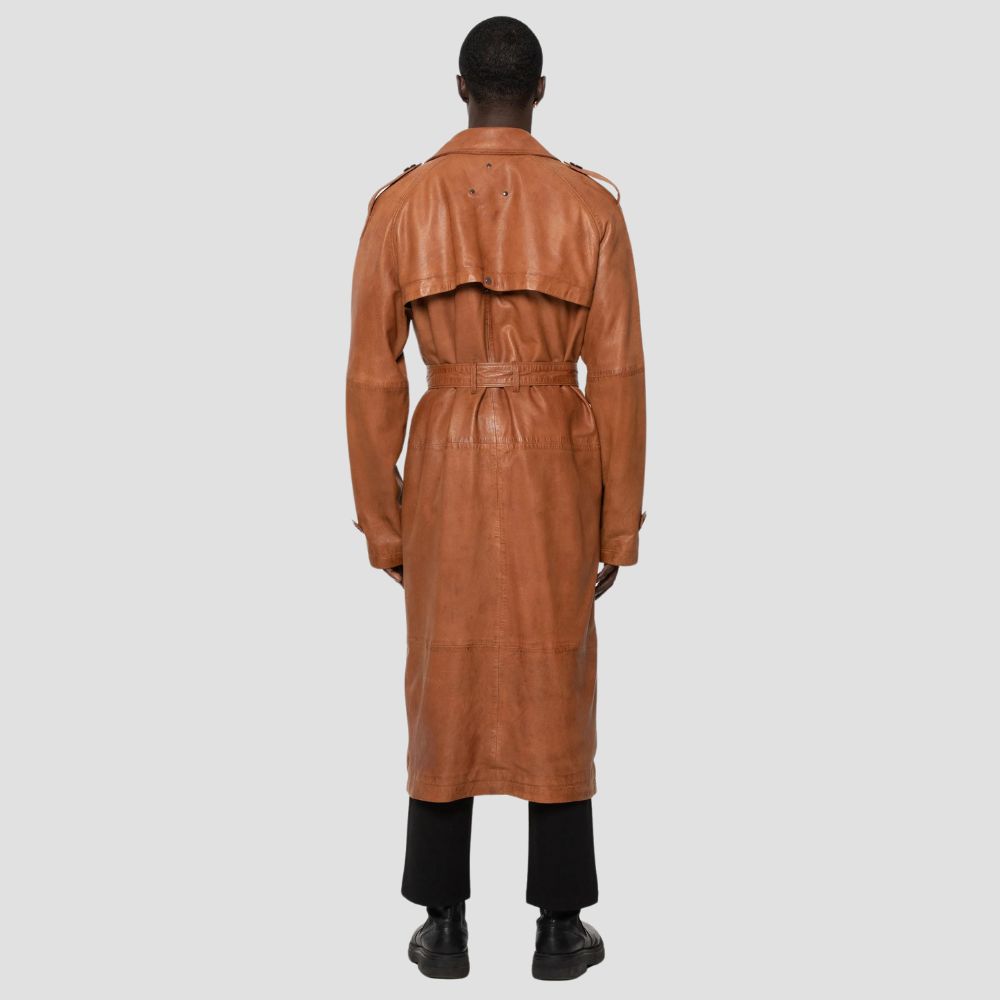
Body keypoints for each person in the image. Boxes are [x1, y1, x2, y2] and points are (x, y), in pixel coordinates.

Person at [345, 16, 647, 981]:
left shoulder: (402, 205)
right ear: (540, 91)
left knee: (444, 675)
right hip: (558, 459)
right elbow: (620, 375)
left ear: (460, 88)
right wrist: (617, 526)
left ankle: (444, 924)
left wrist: (385, 524)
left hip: (444, 456)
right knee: (559, 675)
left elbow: (372, 378)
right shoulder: (589, 208)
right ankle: (560, 926)